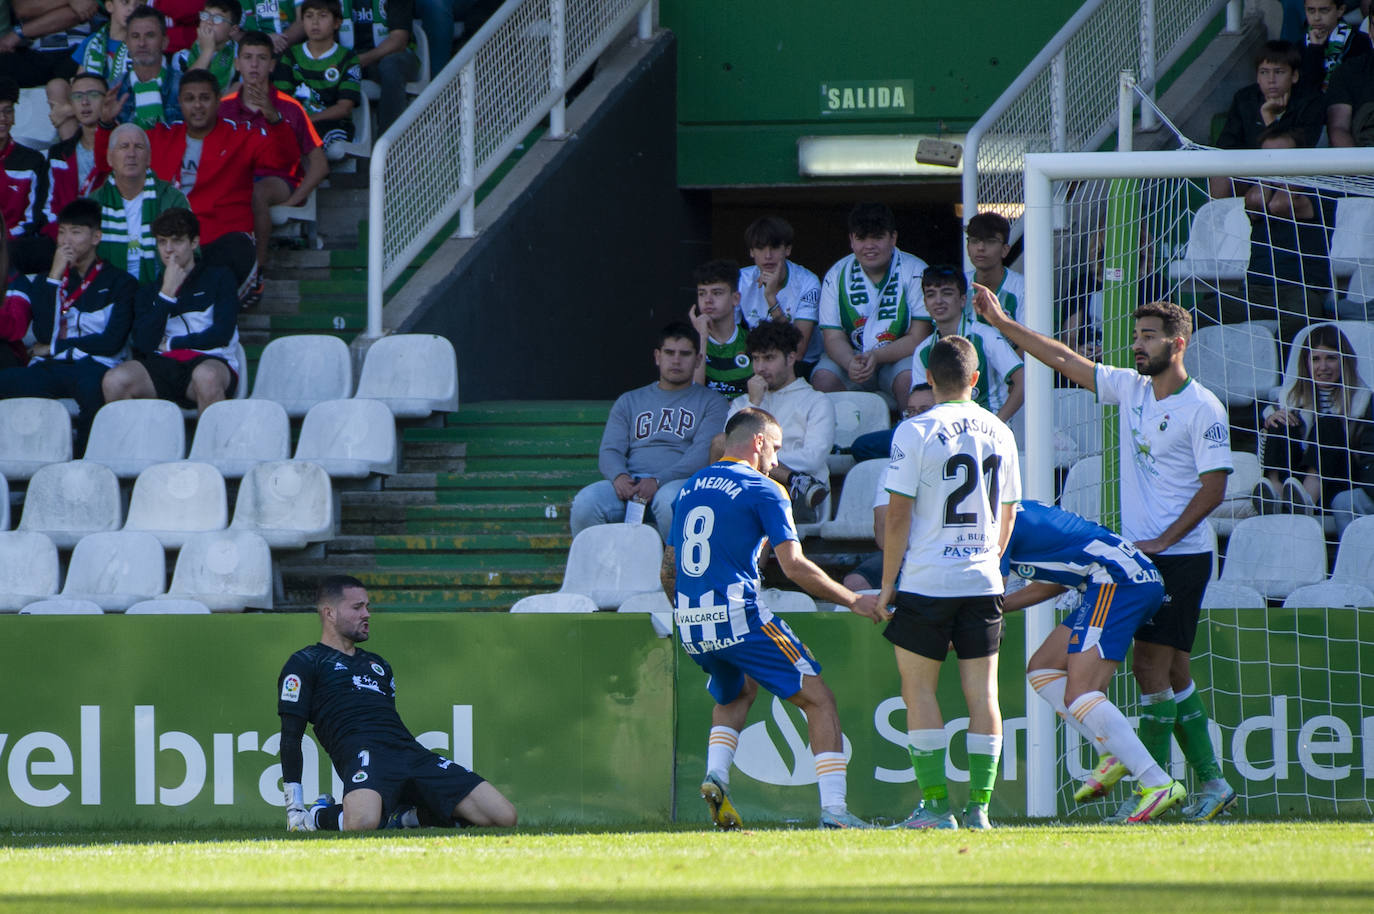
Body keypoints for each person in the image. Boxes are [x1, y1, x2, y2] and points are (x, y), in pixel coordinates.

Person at [972, 284, 1240, 823]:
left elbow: (1214, 487)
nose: (1138, 346)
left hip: (1180, 557)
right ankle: (1193, 781)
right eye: (1136, 336)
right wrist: (1002, 323)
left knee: (1154, 670)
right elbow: (1063, 358)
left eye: (1149, 337)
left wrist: (1164, 540)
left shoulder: (1202, 407)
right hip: (1127, 556)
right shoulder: (1133, 389)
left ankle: (1176, 783)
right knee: (1166, 672)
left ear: (1178, 343)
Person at [661, 407, 883, 830]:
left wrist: (691, 612)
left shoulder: (688, 489)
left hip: (691, 621)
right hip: (739, 614)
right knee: (818, 699)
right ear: (758, 442)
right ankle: (835, 812)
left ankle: (716, 775)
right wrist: (852, 599)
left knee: (736, 693)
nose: (778, 463)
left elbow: (668, 568)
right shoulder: (764, 489)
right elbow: (795, 566)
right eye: (776, 449)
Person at [857, 335, 1020, 831]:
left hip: (928, 581)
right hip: (982, 579)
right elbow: (1009, 513)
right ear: (976, 379)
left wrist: (887, 585)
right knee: (983, 696)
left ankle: (934, 808)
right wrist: (988, 559)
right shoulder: (1000, 430)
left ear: (928, 376)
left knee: (920, 693)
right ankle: (980, 810)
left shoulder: (915, 429)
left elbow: (898, 516)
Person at [277, 575, 518, 832]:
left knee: (503, 816)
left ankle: (404, 818)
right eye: (357, 607)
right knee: (361, 823)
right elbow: (291, 737)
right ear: (330, 613)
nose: (367, 614)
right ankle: (316, 816)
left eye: (368, 606)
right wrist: (294, 807)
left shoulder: (378, 665)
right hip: (364, 755)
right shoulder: (305, 662)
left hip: (409, 752)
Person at [1002, 500, 1188, 823]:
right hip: (1118, 580)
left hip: (1117, 581)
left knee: (1082, 692)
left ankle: (1156, 782)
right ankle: (1111, 753)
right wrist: (1001, 607)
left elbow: (986, 596)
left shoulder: (996, 524)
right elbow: (1057, 581)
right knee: (1043, 669)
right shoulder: (1015, 514)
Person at [117, 67, 300, 296]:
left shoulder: (241, 135)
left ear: (217, 101)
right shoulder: (162, 136)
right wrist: (104, 126)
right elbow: (115, 160)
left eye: (204, 98)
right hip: (170, 245)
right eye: (189, 99)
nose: (197, 106)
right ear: (180, 103)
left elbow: (285, 159)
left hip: (221, 244)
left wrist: (274, 119)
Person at [569, 321, 728, 541]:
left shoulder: (712, 402)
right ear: (657, 356)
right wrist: (619, 476)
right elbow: (610, 450)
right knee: (586, 502)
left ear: (698, 359)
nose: (676, 360)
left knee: (668, 501)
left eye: (685, 354)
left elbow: (701, 455)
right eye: (669, 352)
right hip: (630, 487)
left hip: (678, 484)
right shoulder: (629, 400)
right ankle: (600, 572)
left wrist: (658, 480)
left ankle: (674, 574)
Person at [0, 196, 136, 449]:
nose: (66, 240)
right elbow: (42, 332)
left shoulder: (121, 282)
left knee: (93, 391)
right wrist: (54, 277)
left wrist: (54, 348)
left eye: (76, 232)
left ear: (96, 237)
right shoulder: (46, 280)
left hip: (94, 366)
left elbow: (110, 342)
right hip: (51, 367)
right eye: (62, 232)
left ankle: (87, 463)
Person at [219, 30, 327, 306]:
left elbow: (319, 163)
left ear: (272, 65)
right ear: (237, 64)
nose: (254, 65)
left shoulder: (291, 108)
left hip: (277, 180)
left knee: (255, 193)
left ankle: (256, 273)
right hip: (233, 181)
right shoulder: (221, 108)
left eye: (261, 58)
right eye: (247, 58)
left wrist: (297, 197)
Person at [101, 206, 241, 414]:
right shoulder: (149, 292)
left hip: (212, 360)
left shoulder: (219, 277)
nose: (168, 249)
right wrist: (166, 293)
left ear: (194, 242)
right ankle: (136, 446)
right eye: (162, 242)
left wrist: (174, 343)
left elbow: (221, 334)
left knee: (206, 377)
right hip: (164, 365)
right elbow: (144, 343)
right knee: (115, 380)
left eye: (177, 241)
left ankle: (212, 446)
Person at [812, 202, 930, 406]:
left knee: (909, 378)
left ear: (893, 238)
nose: (869, 246)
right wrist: (850, 362)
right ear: (851, 240)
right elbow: (832, 337)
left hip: (897, 359)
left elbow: (918, 337)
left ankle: (906, 435)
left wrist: (876, 356)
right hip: (853, 357)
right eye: (861, 238)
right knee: (823, 378)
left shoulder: (916, 270)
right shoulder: (836, 274)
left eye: (877, 237)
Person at [1253, 323, 1373, 516]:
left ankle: (1306, 501)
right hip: (1293, 485)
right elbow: (1266, 420)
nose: (1322, 367)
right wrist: (1270, 417)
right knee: (1281, 421)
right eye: (1315, 359)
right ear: (1306, 363)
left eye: (1331, 358)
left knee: (1329, 424)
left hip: (1338, 481)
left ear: (1344, 361)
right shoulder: (1291, 397)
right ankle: (1273, 495)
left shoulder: (1364, 399)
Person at [722, 321, 834, 523]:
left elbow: (812, 459)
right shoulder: (744, 403)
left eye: (769, 358)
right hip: (747, 488)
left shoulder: (817, 401)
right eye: (756, 359)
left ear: (791, 358)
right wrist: (754, 403)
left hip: (799, 497)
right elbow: (727, 448)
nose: (760, 368)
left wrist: (758, 460)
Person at [910, 265, 1023, 425]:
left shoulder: (986, 336)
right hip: (946, 433)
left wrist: (998, 423)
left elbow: (1023, 381)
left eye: (947, 293)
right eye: (931, 295)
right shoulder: (923, 350)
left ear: (963, 300)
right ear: (925, 303)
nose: (938, 301)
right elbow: (921, 400)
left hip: (987, 429)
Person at [1210, 41, 1324, 199]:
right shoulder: (1245, 99)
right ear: (1257, 76)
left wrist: (1269, 118)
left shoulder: (1310, 101)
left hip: (1295, 176)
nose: (1271, 79)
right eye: (1264, 72)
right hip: (1252, 171)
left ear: (1294, 76)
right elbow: (1226, 145)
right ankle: (1219, 223)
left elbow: (1295, 146)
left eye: (1279, 72)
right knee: (1220, 177)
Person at [90, 122, 191, 284]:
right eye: (124, 146)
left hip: (161, 287)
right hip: (108, 293)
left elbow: (189, 255)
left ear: (149, 157)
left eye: (138, 147)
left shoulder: (171, 198)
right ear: (110, 157)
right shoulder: (94, 203)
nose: (131, 153)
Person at [275, 0, 362, 161]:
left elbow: (344, 108)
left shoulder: (348, 58)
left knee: (310, 136)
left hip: (334, 126)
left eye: (322, 16)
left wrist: (308, 120)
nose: (315, 22)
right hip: (296, 122)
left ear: (337, 22)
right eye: (309, 16)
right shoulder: (290, 55)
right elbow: (282, 99)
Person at [736, 215, 822, 377]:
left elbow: (798, 350)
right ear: (751, 252)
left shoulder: (807, 282)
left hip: (801, 364)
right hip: (758, 360)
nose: (768, 256)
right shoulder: (741, 281)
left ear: (787, 250)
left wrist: (771, 298)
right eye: (760, 248)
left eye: (774, 248)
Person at [45, 72, 112, 234]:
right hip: (64, 237)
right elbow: (48, 207)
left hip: (108, 235)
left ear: (108, 100)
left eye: (93, 94)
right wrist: (63, 238)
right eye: (77, 96)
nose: (85, 102)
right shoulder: (59, 153)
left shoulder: (124, 147)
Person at [0, 76, 54, 274]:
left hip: (16, 247)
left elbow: (36, 216)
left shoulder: (32, 161)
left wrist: (5, 240)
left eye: (8, 111)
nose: (3, 119)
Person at [340, 0, 417, 134]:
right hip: (351, 57)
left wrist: (361, 60)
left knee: (390, 66)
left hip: (391, 55)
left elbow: (399, 41)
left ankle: (390, 141)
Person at [111, 5, 182, 129]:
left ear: (165, 42)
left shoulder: (183, 87)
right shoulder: (113, 89)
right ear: (126, 42)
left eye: (150, 35)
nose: (142, 43)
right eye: (135, 36)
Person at [690, 259, 752, 401]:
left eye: (717, 293)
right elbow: (693, 399)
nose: (708, 300)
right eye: (702, 293)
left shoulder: (753, 341)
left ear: (736, 299)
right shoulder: (689, 343)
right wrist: (702, 339)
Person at [964, 212, 1025, 325]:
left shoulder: (1023, 288)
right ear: (968, 247)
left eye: (990, 241)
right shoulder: (959, 285)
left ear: (1005, 250)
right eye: (974, 241)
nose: (981, 248)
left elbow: (1029, 338)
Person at [1300, 0, 1371, 95]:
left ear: (1340, 10)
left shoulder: (1358, 41)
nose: (1316, 17)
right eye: (1311, 10)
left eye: (1324, 10)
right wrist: (1315, 49)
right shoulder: (1300, 45)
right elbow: (1307, 88)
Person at [172, 0, 241, 96]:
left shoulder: (241, 55)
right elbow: (188, 92)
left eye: (217, 19)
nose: (209, 22)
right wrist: (207, 51)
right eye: (205, 16)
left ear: (233, 30)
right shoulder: (182, 57)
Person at [1325, 33, 1374, 145]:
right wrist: (1359, 161)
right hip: (1364, 155)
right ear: (1370, 30)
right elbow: (1338, 128)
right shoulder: (1348, 72)